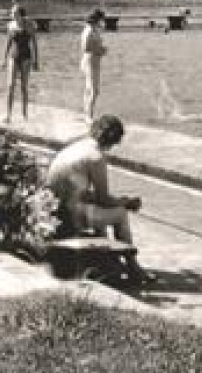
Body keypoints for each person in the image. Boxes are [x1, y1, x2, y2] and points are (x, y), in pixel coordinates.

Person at [45, 115, 150, 281]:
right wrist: (126, 202)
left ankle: (109, 261)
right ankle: (132, 266)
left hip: (54, 207)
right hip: (71, 214)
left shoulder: (77, 146)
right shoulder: (96, 157)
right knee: (120, 214)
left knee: (100, 211)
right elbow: (103, 199)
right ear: (113, 139)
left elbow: (81, 192)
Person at [2, 4, 39, 123]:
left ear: (20, 14)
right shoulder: (10, 25)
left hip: (26, 58)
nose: (11, 14)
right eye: (11, 13)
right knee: (10, 86)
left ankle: (24, 114)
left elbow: (34, 43)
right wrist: (4, 58)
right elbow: (8, 42)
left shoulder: (29, 25)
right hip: (14, 56)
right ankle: (8, 114)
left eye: (14, 13)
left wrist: (36, 60)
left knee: (24, 87)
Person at [78, 8, 108, 118]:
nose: (103, 22)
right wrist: (99, 50)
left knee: (89, 89)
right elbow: (85, 47)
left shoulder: (94, 29)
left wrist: (101, 49)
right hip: (90, 62)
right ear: (97, 19)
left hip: (94, 61)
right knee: (95, 91)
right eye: (102, 19)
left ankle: (87, 113)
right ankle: (89, 116)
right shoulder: (89, 30)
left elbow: (93, 45)